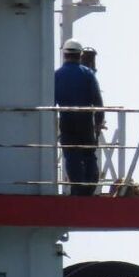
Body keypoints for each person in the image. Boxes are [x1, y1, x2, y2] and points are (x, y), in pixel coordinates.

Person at [55, 39, 104, 196]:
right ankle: (89, 188)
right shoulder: (87, 74)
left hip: (67, 121)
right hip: (85, 122)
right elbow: (98, 101)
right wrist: (98, 123)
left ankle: (77, 189)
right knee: (89, 155)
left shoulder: (56, 75)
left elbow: (51, 101)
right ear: (80, 55)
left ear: (64, 54)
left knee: (71, 156)